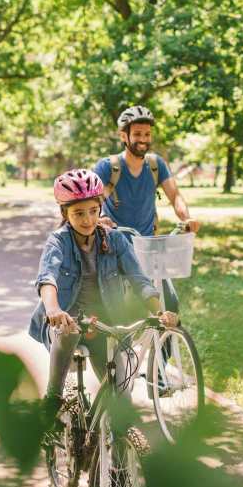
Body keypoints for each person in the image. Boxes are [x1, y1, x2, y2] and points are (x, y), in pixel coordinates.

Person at [29, 169, 177, 425]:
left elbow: (139, 279)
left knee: (121, 401)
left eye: (92, 211)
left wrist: (158, 311)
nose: (87, 219)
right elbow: (47, 278)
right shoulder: (58, 242)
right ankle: (53, 397)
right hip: (66, 320)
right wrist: (53, 310)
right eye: (78, 213)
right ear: (65, 214)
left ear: (100, 209)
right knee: (69, 330)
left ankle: (118, 459)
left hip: (102, 323)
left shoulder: (115, 240)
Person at [93, 105, 199, 312]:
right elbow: (94, 202)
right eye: (138, 134)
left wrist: (187, 218)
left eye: (147, 134)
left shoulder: (155, 165)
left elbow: (175, 195)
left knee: (169, 305)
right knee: (120, 310)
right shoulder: (109, 167)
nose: (143, 139)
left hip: (149, 248)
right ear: (124, 136)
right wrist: (100, 218)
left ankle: (165, 344)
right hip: (116, 248)